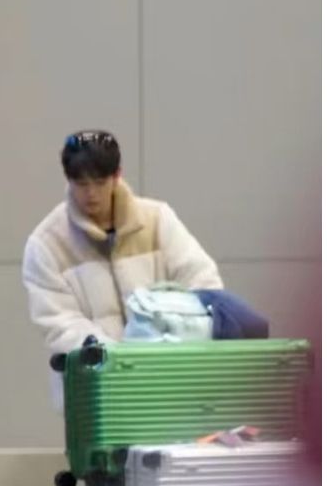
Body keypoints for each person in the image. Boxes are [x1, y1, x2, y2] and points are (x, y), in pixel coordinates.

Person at [22, 130, 222, 356]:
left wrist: (172, 337)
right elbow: (59, 323)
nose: (91, 193)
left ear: (117, 175)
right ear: (68, 180)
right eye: (81, 183)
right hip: (96, 374)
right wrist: (116, 359)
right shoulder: (47, 244)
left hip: (166, 366)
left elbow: (203, 283)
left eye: (100, 182)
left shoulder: (157, 220)